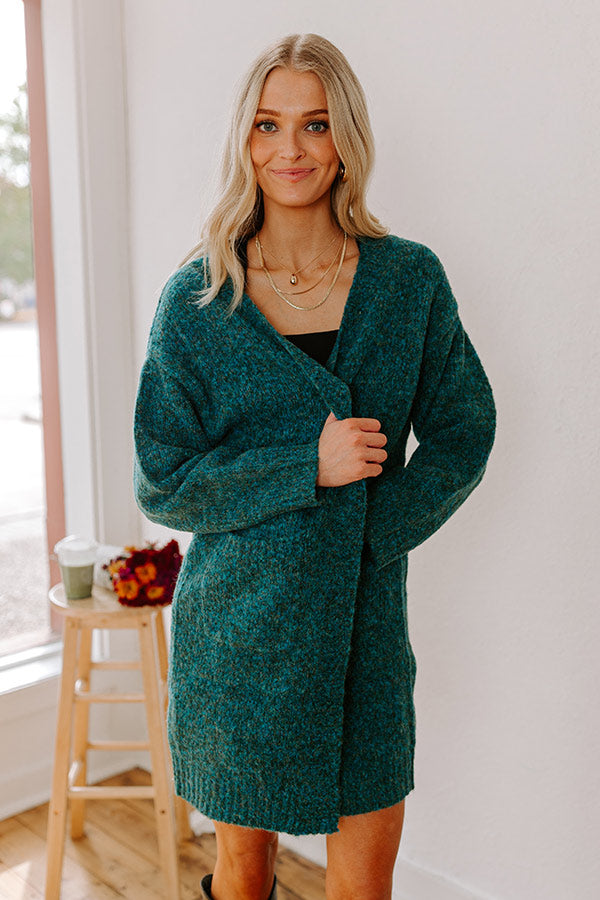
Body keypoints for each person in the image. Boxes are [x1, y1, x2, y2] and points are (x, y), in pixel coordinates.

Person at [132, 33, 496, 900]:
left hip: (365, 635)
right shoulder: (198, 300)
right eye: (268, 124)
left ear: (346, 139)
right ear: (244, 139)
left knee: (364, 884)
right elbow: (163, 479)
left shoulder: (407, 282)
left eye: (315, 123)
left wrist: (370, 531)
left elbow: (464, 431)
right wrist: (308, 466)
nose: (289, 148)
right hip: (237, 639)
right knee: (243, 873)